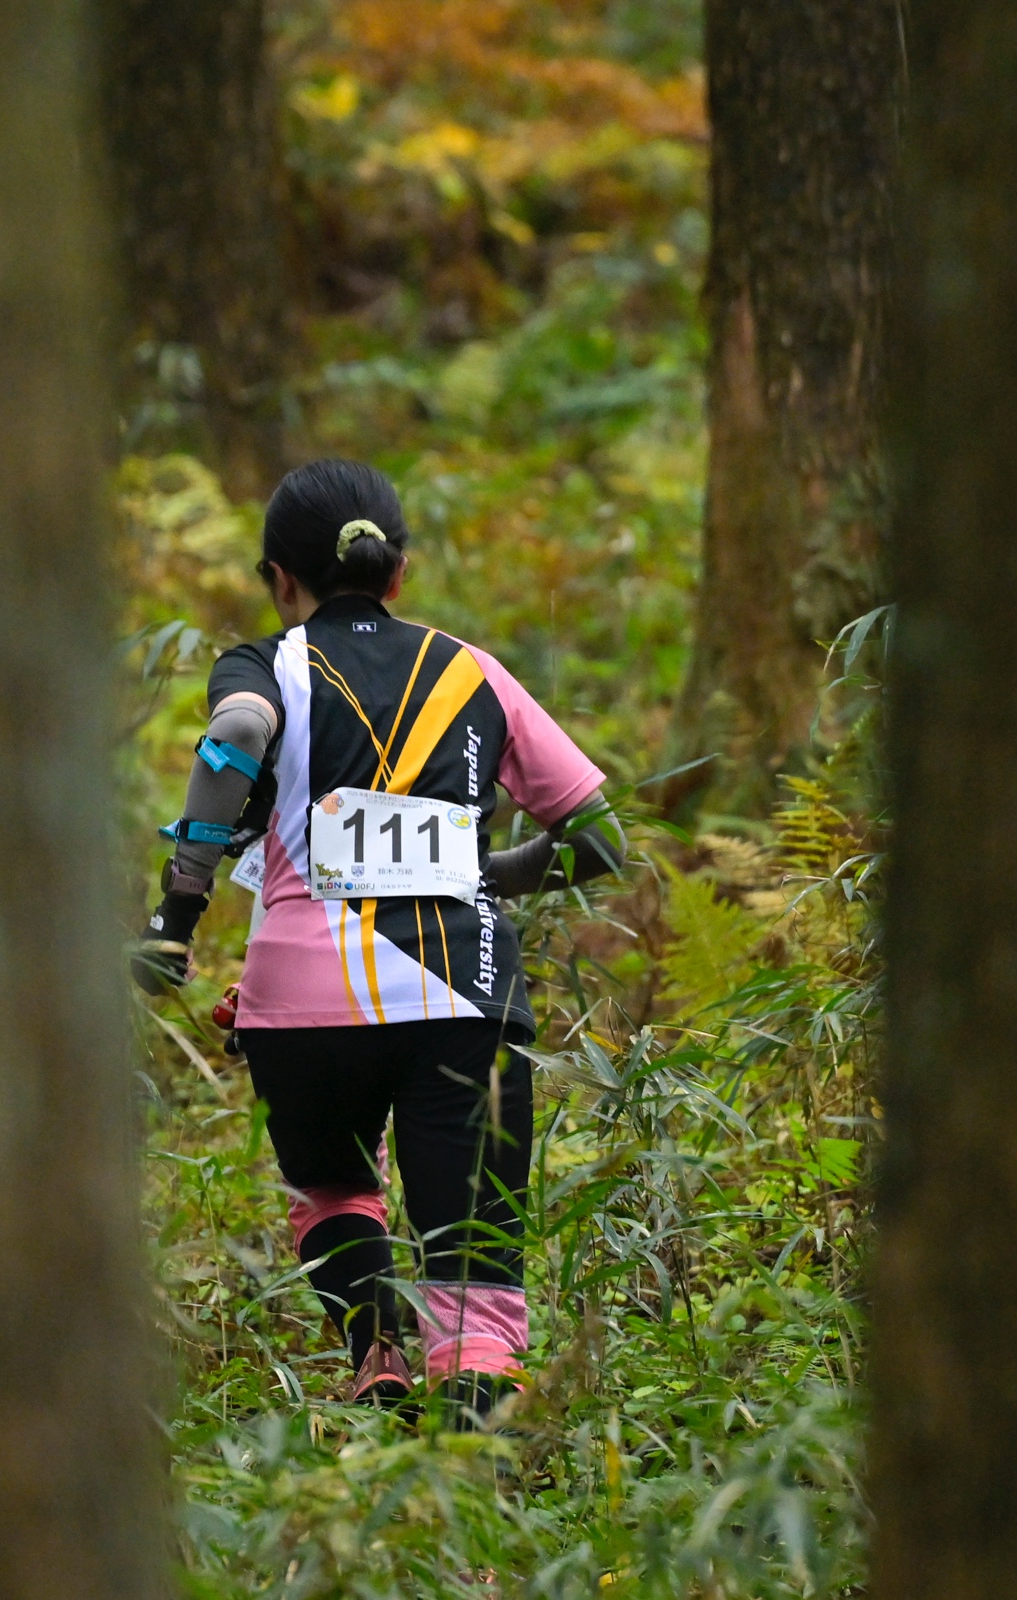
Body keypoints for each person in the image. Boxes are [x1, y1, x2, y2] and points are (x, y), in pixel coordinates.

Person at [134, 458, 624, 1418]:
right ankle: (474, 1435)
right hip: (462, 996)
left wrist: (177, 914)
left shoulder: (265, 664)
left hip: (302, 1007)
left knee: (331, 1188)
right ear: (398, 571)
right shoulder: (471, 670)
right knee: (472, 1245)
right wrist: (474, 874)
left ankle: (375, 1350)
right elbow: (598, 839)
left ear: (279, 578)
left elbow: (240, 729)